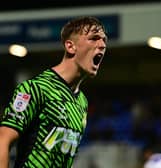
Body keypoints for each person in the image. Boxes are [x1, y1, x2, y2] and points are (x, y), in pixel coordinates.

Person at [0, 16, 107, 168]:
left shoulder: (82, 102)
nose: (102, 45)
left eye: (104, 40)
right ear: (70, 46)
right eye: (94, 38)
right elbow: (2, 140)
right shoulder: (36, 89)